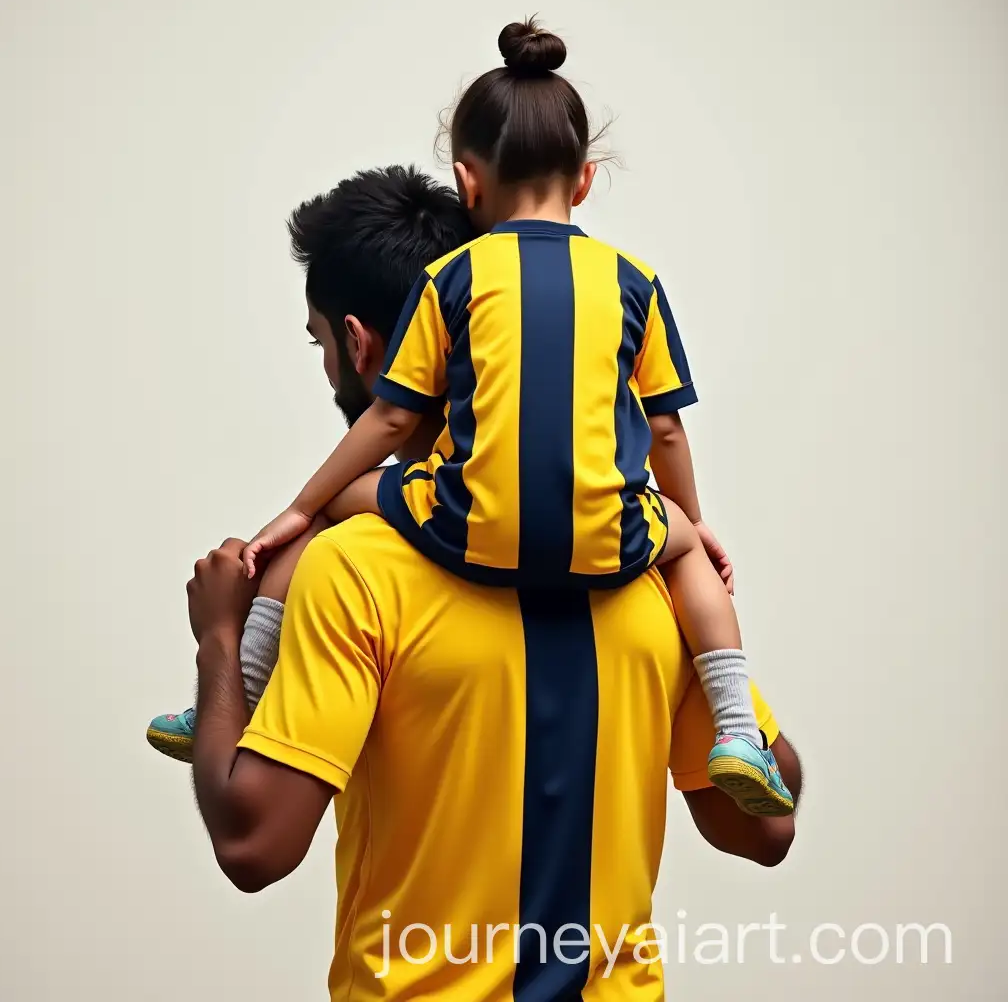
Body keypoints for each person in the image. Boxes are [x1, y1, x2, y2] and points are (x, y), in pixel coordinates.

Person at [184, 164, 802, 1000]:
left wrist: (221, 644)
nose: (329, 359)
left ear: (360, 346)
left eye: (320, 340)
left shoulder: (352, 567)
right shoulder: (642, 555)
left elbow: (253, 847)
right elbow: (765, 825)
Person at [238, 19, 791, 814]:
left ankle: (247, 689)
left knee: (323, 522)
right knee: (687, 556)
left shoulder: (452, 277)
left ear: (468, 182)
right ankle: (736, 728)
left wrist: (297, 507)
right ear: (586, 181)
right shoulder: (633, 282)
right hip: (606, 540)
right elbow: (665, 428)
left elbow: (393, 423)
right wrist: (686, 522)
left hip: (466, 527)